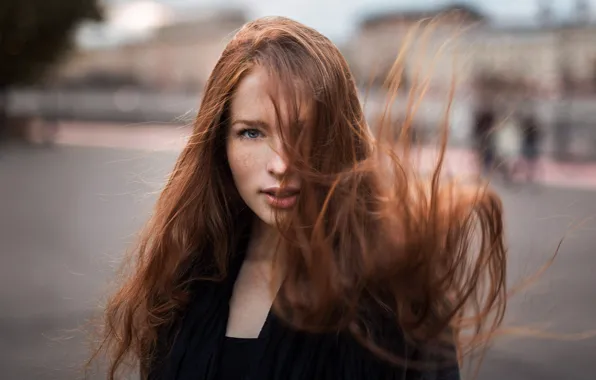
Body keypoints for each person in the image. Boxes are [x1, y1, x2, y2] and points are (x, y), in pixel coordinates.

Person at [91, 17, 507, 380]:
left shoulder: (395, 289)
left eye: (304, 132)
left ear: (341, 138)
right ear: (221, 145)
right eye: (252, 132)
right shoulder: (183, 280)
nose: (282, 164)